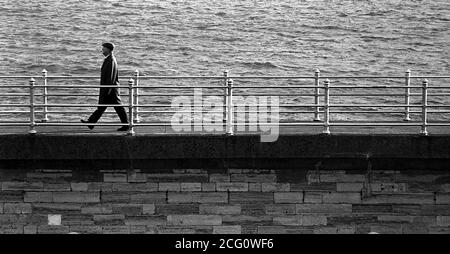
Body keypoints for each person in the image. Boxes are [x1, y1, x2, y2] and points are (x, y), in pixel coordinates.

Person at [81, 42, 129, 131]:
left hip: (110, 89)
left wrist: (108, 90)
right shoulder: (110, 59)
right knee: (103, 107)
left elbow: (110, 77)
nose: (102, 50)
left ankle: (126, 125)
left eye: (103, 49)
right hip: (110, 89)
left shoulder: (110, 60)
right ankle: (91, 122)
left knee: (117, 107)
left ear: (108, 49)